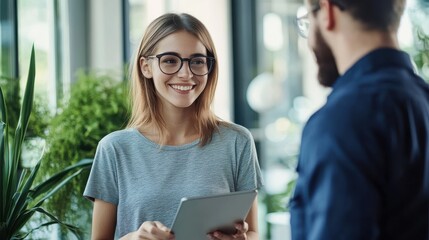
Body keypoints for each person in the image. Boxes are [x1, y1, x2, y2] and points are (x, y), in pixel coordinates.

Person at [83, 13, 263, 240]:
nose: (186, 73)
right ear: (146, 67)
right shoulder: (114, 149)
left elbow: (253, 232)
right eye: (170, 60)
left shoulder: (237, 142)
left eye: (197, 61)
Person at [290, 0, 429, 239]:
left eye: (307, 20)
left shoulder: (340, 122)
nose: (309, 37)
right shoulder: (422, 99)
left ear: (327, 12)